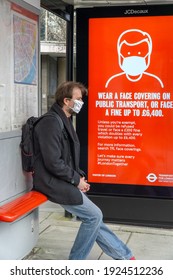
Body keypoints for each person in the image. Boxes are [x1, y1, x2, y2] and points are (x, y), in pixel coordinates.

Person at [32, 81, 135, 260]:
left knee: (93, 218)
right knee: (94, 216)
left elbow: (66, 158)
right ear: (66, 100)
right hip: (51, 182)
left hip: (62, 180)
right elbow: (53, 162)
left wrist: (79, 176)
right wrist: (75, 180)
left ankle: (125, 256)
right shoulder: (50, 123)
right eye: (79, 99)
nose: (82, 102)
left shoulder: (63, 120)